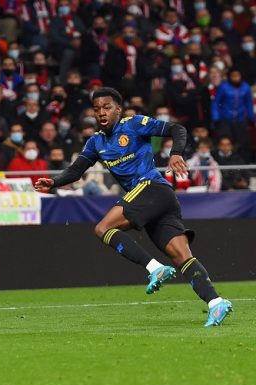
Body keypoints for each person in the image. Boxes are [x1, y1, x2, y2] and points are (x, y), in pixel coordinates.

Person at [34, 87, 232, 327]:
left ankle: (154, 268)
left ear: (118, 109)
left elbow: (177, 129)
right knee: (182, 256)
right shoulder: (96, 142)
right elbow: (76, 171)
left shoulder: (135, 124)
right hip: (156, 200)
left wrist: (175, 153)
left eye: (107, 107)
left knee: (103, 228)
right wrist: (54, 182)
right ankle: (216, 303)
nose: (101, 113)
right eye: (97, 109)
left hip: (151, 188)